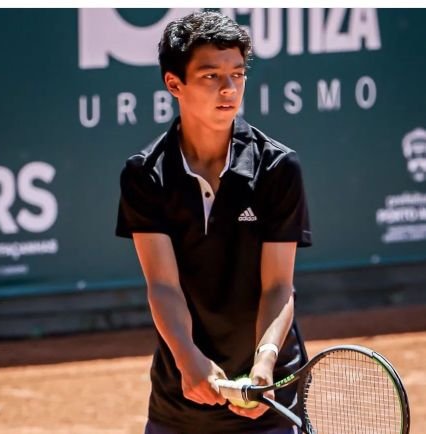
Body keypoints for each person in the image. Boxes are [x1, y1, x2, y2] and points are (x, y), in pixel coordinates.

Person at [116, 10, 312, 434]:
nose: (229, 89)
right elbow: (163, 285)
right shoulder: (145, 175)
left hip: (269, 394)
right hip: (180, 401)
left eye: (238, 75)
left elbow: (278, 285)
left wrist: (264, 363)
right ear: (174, 84)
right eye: (210, 76)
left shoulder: (278, 168)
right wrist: (189, 360)